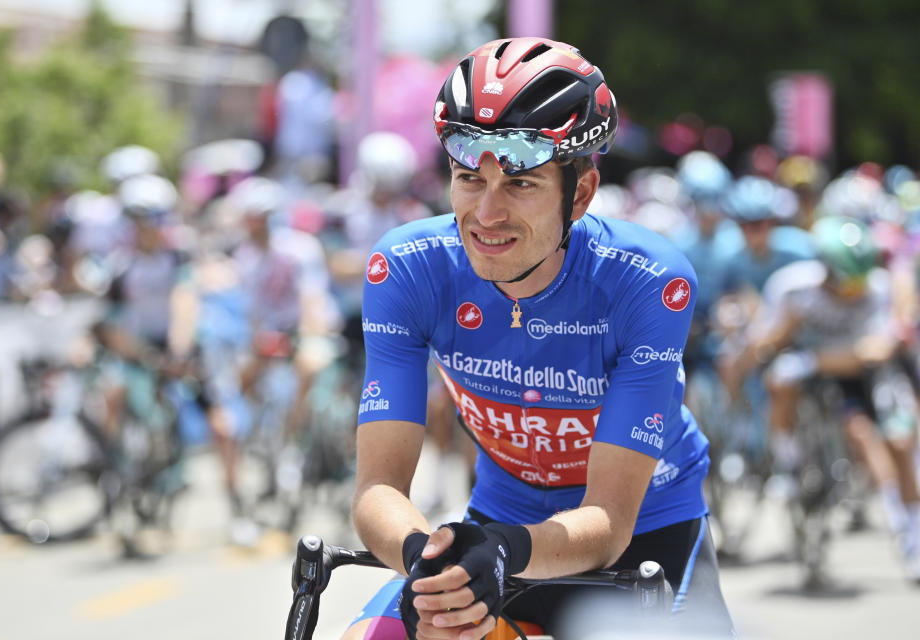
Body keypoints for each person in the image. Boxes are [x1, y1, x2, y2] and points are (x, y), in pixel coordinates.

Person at [343, 37, 735, 639]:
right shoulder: (408, 268)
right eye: (469, 178)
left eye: (521, 184)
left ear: (579, 194)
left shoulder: (649, 282)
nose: (487, 213)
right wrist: (431, 567)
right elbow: (376, 490)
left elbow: (607, 520)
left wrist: (499, 553)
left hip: (645, 530)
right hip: (500, 524)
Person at [726, 216, 920, 582]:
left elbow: (875, 352)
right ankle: (787, 461)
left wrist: (815, 359)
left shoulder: (877, 290)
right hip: (805, 370)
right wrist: (775, 340)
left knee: (884, 438)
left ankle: (907, 531)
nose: (854, 292)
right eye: (848, 283)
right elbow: (766, 343)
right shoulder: (793, 288)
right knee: (780, 381)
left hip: (851, 374)